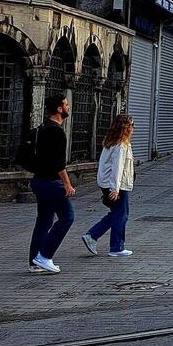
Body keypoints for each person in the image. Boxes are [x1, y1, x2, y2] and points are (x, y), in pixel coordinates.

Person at [27, 93, 75, 274]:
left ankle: (34, 262)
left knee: (44, 220)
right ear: (58, 109)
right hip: (52, 182)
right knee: (67, 217)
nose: (68, 107)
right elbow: (58, 163)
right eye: (66, 105)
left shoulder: (42, 128)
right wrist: (68, 184)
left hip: (38, 181)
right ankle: (44, 255)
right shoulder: (56, 131)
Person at [83, 114, 135, 259]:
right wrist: (115, 189)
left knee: (116, 213)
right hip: (117, 185)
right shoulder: (121, 145)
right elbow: (117, 168)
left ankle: (92, 236)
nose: (133, 129)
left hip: (109, 184)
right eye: (131, 125)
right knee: (121, 215)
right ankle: (116, 247)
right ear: (124, 128)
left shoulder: (111, 143)